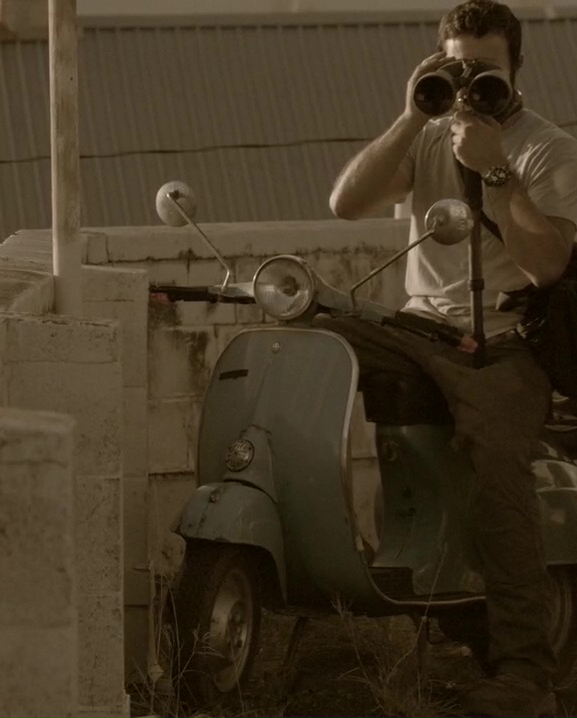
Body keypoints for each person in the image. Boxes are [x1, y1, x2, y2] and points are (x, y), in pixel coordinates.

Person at [326, 1, 577, 716]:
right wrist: (413, 113)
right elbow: (347, 204)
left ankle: (526, 674)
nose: (470, 86)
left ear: (517, 70)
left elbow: (548, 267)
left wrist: (495, 171)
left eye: (485, 73)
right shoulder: (429, 133)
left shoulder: (547, 149)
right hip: (418, 329)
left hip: (503, 343)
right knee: (308, 337)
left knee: (497, 467)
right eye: (457, 68)